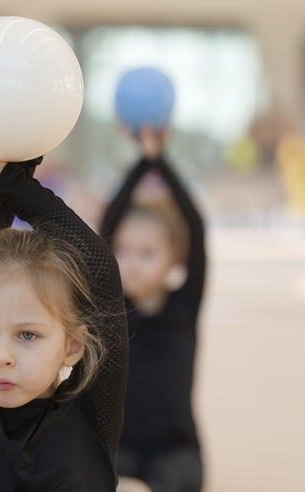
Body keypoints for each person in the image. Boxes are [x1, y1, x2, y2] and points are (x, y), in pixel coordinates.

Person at [0, 108, 128, 490]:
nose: (1, 355)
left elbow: (99, 268)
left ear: (72, 345)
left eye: (28, 335)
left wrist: (9, 178)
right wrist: (11, 165)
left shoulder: (90, 420)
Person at [100, 127, 206, 492]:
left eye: (147, 254)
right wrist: (140, 164)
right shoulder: (112, 306)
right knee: (85, 470)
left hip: (174, 448)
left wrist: (159, 160)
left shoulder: (184, 306)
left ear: (176, 258)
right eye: (124, 251)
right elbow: (107, 225)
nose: (130, 263)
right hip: (120, 445)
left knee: (182, 478)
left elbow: (196, 227)